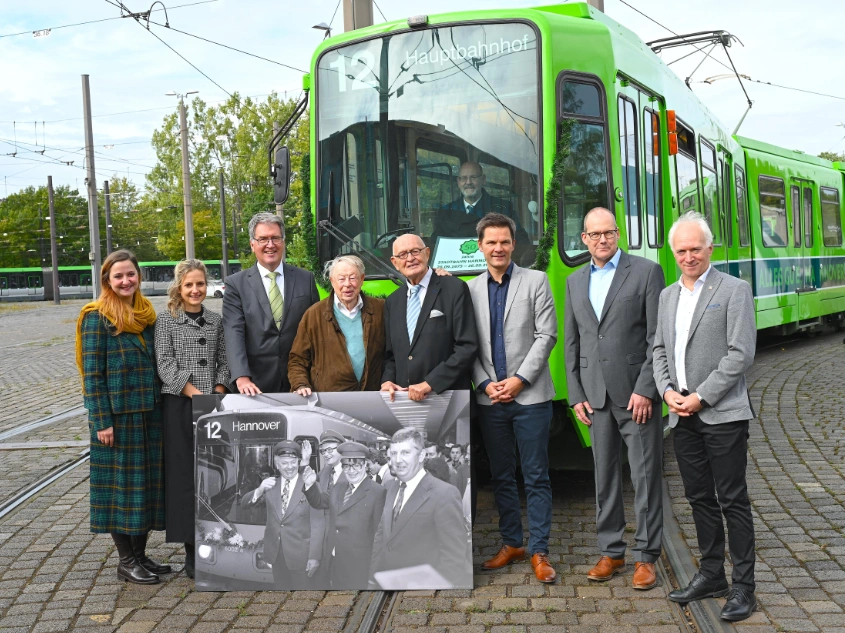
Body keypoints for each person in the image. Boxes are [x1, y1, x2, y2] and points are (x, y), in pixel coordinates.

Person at [653, 211, 758, 622]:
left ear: (709, 248)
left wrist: (700, 396)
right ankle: (712, 574)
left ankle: (744, 587)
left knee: (732, 499)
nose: (688, 255)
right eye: (681, 250)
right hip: (681, 415)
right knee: (698, 498)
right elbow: (659, 350)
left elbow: (741, 354)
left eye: (695, 248)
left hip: (722, 414)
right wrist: (666, 392)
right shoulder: (667, 296)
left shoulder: (734, 290)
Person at [563, 207, 666, 590]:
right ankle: (611, 552)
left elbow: (658, 337)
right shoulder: (574, 281)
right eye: (594, 234)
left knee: (644, 477)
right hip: (594, 397)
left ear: (618, 234)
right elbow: (572, 342)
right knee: (604, 478)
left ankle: (646, 556)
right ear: (584, 239)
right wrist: (576, 394)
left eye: (608, 232)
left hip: (636, 395)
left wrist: (646, 388)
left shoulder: (645, 272)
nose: (602, 239)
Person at [467, 213, 558, 583]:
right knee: (501, 476)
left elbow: (546, 335)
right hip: (491, 399)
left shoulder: (536, 280)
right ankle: (511, 542)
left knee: (536, 475)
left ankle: (539, 550)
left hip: (531, 396)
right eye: (491, 242)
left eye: (504, 241)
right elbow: (467, 344)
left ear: (513, 244)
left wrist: (520, 380)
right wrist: (484, 383)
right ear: (480, 246)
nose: (498, 248)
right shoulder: (469, 289)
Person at [76, 249, 168, 585]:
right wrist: (101, 421)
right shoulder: (96, 318)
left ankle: (141, 556)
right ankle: (126, 561)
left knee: (144, 489)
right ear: (107, 280)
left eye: (131, 274)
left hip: (150, 414)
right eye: (119, 276)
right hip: (118, 420)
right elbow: (93, 375)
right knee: (120, 492)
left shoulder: (146, 315)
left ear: (138, 277)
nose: (126, 281)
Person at [154, 259, 231, 579]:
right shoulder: (166, 321)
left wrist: (215, 390)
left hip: (213, 406)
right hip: (181, 406)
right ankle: (191, 551)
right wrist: (194, 394)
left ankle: (218, 543)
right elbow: (165, 364)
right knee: (186, 478)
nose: (195, 290)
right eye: (189, 285)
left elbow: (225, 361)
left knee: (214, 477)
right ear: (179, 288)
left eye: (200, 284)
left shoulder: (217, 320)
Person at [223, 212, 320, 395]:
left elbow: (316, 328)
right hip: (254, 385)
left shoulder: (305, 279)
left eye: (275, 238)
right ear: (252, 244)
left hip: (301, 383)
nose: (270, 245)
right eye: (263, 239)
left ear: (283, 242)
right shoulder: (235, 284)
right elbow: (233, 331)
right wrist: (242, 377)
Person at [381, 233, 478, 402]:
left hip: (449, 399)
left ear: (427, 253)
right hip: (406, 401)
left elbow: (466, 347)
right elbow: (391, 356)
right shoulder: (392, 302)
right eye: (403, 255)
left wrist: (430, 383)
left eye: (415, 251)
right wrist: (387, 381)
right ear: (395, 263)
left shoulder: (454, 288)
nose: (410, 258)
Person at [369, 428, 471, 588]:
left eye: (405, 453)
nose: (398, 460)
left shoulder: (444, 493)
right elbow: (381, 535)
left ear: (422, 455)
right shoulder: (390, 487)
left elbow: (453, 557)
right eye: (394, 453)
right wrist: (372, 577)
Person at [288, 255, 384, 395]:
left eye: (352, 278)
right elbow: (298, 359)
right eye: (341, 279)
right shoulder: (314, 314)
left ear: (362, 279)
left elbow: (392, 354)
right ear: (332, 281)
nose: (347, 284)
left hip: (372, 396)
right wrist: (300, 384)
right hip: (329, 398)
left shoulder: (380, 309)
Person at [240, 440, 325, 589]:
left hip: (302, 558)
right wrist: (259, 490)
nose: (290, 467)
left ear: (298, 462)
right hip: (276, 556)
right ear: (277, 465)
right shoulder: (270, 485)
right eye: (284, 463)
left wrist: (314, 557)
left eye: (293, 462)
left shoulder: (310, 484)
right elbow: (244, 505)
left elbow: (318, 523)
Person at [302, 441, 387, 588]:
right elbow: (319, 502)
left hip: (359, 567)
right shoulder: (338, 488)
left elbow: (378, 537)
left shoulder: (377, 492)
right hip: (335, 562)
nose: (351, 471)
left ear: (365, 465)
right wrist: (310, 485)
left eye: (356, 465)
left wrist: (373, 575)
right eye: (346, 466)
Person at [430, 161, 529, 254]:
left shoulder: (503, 209)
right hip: (454, 271)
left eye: (473, 177)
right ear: (458, 182)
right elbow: (436, 245)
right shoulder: (446, 212)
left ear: (483, 180)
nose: (468, 182)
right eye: (463, 178)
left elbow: (520, 241)